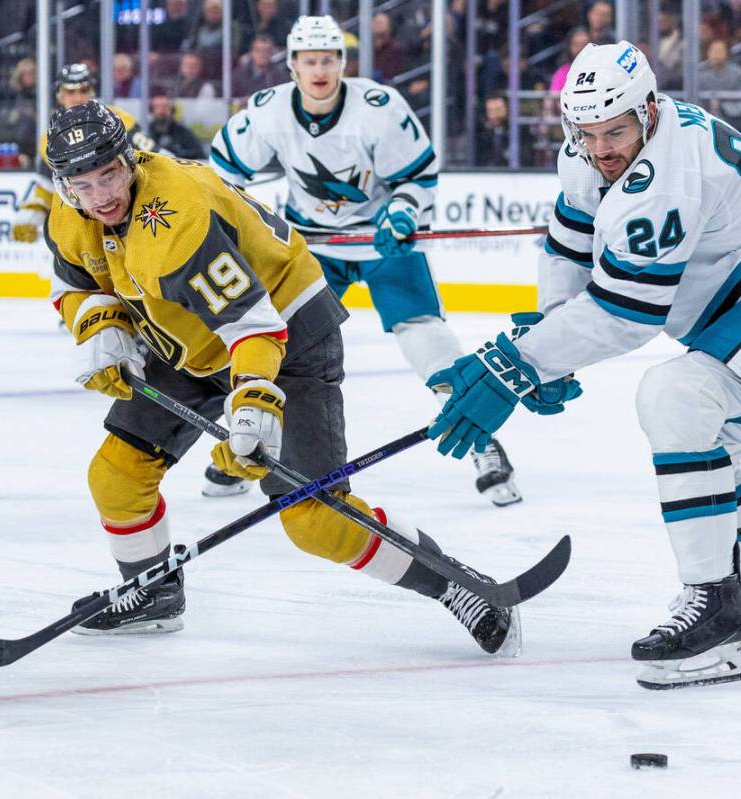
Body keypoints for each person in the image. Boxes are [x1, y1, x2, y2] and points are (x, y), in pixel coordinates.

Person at [426, 42, 741, 689]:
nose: (603, 147)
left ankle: (716, 615)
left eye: (616, 130)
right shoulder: (592, 152)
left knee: (673, 397)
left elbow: (627, 313)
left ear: (648, 110)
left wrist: (516, 364)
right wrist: (550, 327)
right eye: (587, 133)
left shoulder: (664, 176)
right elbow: (569, 239)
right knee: (709, 451)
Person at [40, 99, 520, 654]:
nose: (102, 195)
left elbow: (253, 325)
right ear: (64, 183)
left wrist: (251, 406)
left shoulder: (175, 216)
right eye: (83, 183)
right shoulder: (69, 214)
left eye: (110, 174)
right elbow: (73, 285)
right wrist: (97, 322)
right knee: (116, 477)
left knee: (313, 520)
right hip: (187, 341)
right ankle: (151, 593)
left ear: (131, 158)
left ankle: (464, 590)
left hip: (287, 332)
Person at [209, 15, 523, 507]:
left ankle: (483, 443)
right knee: (278, 348)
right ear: (291, 65)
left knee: (425, 338)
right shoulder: (269, 111)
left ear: (343, 62)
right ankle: (252, 448)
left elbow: (419, 176)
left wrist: (402, 210)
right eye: (310, 60)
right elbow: (223, 172)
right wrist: (248, 219)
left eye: (329, 59)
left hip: (383, 242)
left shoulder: (378, 107)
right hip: (310, 249)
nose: (320, 69)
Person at [10, 63, 156, 244]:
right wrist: (29, 216)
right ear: (60, 96)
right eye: (70, 92)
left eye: (84, 90)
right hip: (85, 230)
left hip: (132, 217)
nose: (78, 97)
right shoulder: (50, 139)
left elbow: (158, 161)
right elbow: (47, 185)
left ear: (93, 91)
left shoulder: (119, 121)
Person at [149, 93, 205, 160]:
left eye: (165, 106)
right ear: (151, 111)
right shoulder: (146, 133)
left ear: (172, 110)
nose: (162, 111)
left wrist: (177, 154)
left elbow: (200, 156)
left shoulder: (184, 133)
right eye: (157, 107)